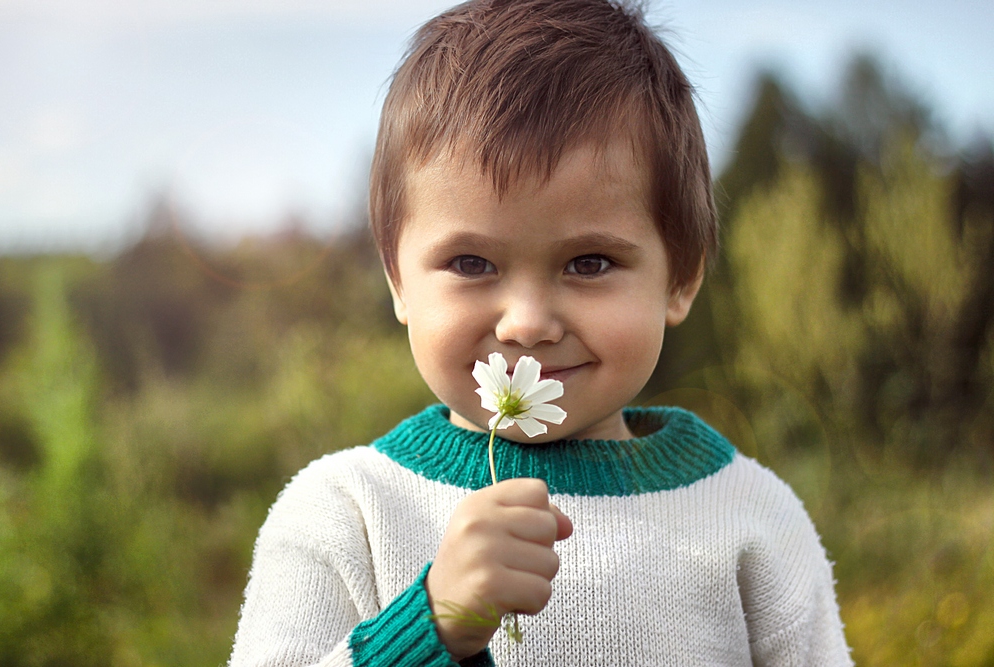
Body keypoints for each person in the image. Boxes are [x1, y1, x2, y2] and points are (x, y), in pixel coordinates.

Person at [229, 0, 852, 664]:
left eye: (590, 263)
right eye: (471, 263)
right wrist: (430, 626)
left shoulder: (750, 516)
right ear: (398, 280)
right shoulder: (345, 513)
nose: (526, 323)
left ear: (681, 277)